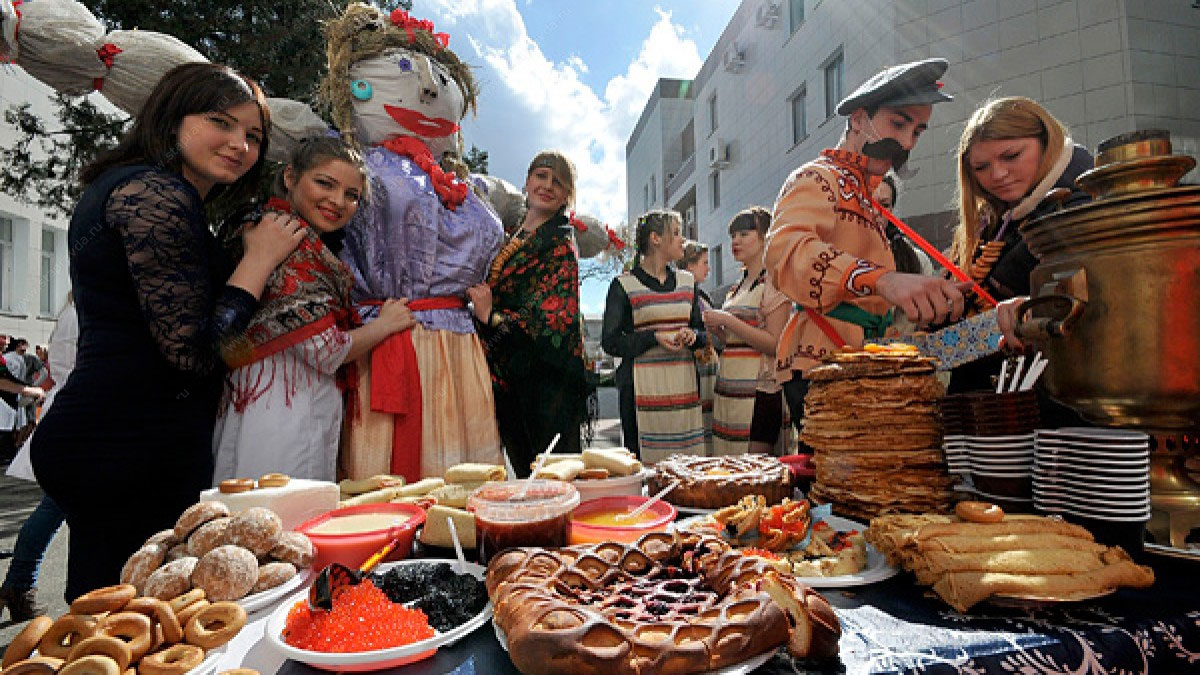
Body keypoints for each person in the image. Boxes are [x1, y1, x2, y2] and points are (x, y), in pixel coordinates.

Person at [31, 62, 305, 601]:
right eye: (220, 122)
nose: (238, 144)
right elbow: (191, 353)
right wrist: (260, 260)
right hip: (126, 447)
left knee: (105, 612)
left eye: (252, 136)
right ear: (172, 116)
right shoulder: (155, 193)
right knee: (131, 624)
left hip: (117, 440)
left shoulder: (137, 187)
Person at [325, 5, 506, 482]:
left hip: (460, 345)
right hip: (392, 335)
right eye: (406, 75)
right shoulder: (348, 158)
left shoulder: (467, 185)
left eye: (440, 84)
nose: (427, 90)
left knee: (462, 479)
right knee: (394, 484)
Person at [765, 57, 964, 427]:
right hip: (821, 363)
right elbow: (785, 252)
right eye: (899, 123)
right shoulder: (816, 178)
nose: (906, 142)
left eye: (918, 132)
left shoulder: (869, 198)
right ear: (858, 118)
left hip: (860, 365)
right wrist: (883, 280)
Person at [213, 137, 416, 482]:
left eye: (351, 195)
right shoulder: (290, 241)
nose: (338, 202)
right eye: (325, 183)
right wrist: (386, 324)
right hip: (283, 410)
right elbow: (327, 351)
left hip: (262, 400)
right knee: (280, 517)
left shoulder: (269, 227)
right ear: (291, 177)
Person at [947, 97, 1093, 425]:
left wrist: (1033, 307)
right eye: (980, 167)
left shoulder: (1089, 204)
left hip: (1072, 417)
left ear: (1047, 142)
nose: (997, 175)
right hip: (996, 414)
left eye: (1012, 156)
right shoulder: (991, 221)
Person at [467, 151, 593, 476]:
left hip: (548, 388)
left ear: (567, 195)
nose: (547, 185)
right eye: (541, 176)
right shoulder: (511, 235)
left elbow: (554, 322)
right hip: (507, 378)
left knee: (551, 480)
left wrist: (490, 315)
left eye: (558, 182)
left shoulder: (560, 246)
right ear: (527, 181)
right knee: (525, 476)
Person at [601, 210, 708, 462]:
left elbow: (702, 333)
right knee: (644, 471)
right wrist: (653, 337)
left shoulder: (687, 282)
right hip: (639, 395)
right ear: (655, 239)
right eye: (676, 233)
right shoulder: (623, 285)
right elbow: (610, 341)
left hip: (684, 394)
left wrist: (693, 336)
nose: (683, 240)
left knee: (687, 468)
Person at [0, 298, 72, 621]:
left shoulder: (70, 314)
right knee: (56, 505)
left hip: (68, 409)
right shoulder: (85, 310)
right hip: (79, 411)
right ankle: (20, 585)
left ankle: (19, 586)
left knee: (55, 506)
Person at [703, 207, 792, 455]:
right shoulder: (736, 287)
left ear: (766, 237)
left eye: (744, 233)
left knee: (753, 472)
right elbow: (738, 340)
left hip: (759, 392)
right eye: (733, 236)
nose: (735, 241)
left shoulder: (775, 281)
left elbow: (775, 343)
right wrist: (720, 330)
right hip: (729, 390)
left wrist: (728, 322)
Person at [679, 240, 717, 453]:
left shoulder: (701, 294)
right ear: (689, 266)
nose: (708, 268)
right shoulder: (688, 295)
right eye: (704, 262)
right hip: (697, 368)